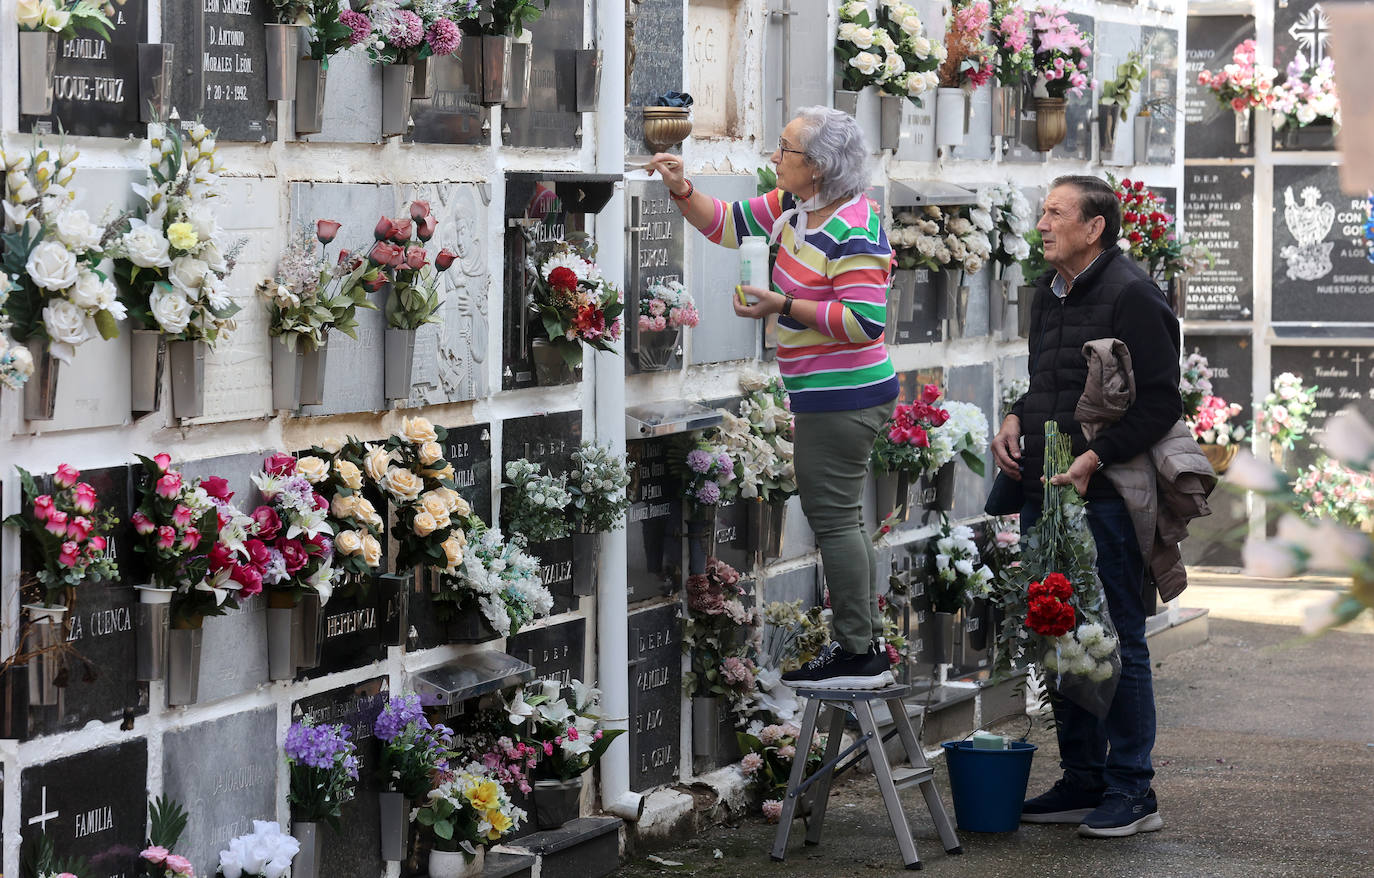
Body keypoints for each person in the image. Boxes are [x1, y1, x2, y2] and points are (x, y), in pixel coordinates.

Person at [647, 106, 897, 689]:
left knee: (834, 522)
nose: (774, 157)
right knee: (843, 522)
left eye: (784, 150)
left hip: (845, 397)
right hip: (825, 394)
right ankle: (864, 641)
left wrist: (780, 305)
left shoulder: (853, 225)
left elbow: (864, 321)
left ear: (818, 165)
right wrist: (682, 187)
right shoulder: (795, 207)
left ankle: (857, 650)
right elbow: (728, 223)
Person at [992, 175, 1181, 838]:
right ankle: (1083, 779)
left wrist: (1096, 458)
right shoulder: (1050, 292)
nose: (1041, 223)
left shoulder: (1133, 294)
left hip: (1103, 495)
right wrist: (1015, 417)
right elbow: (1050, 379)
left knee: (1117, 635)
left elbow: (1162, 403)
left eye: (1055, 212)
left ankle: (1134, 788)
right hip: (1048, 488)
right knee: (1059, 630)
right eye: (1042, 211)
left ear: (1094, 226)